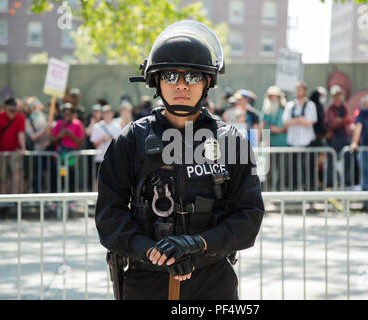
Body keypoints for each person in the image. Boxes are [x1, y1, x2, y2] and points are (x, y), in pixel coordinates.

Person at [95, 20, 264, 300]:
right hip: (147, 280)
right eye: (171, 76)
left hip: (212, 283)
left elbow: (248, 217)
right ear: (156, 81)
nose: (182, 85)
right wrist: (151, 251)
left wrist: (196, 244)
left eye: (194, 76)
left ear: (208, 81)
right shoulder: (131, 140)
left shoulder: (231, 141)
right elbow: (109, 216)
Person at [282, 81, 318, 190]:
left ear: (304, 91)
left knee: (307, 169)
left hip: (306, 142)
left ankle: (309, 191)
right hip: (292, 142)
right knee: (292, 169)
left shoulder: (310, 105)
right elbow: (285, 121)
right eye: (296, 89)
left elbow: (310, 122)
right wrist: (300, 120)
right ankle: (293, 191)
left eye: (299, 89)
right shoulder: (290, 105)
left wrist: (295, 121)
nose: (297, 92)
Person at [0, 97, 26, 194]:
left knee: (16, 172)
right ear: (5, 106)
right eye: (10, 105)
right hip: (0, 151)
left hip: (14, 151)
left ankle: (16, 197)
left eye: (14, 105)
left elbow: (21, 133)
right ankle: (3, 199)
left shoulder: (20, 117)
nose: (13, 107)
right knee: (2, 177)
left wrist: (23, 148)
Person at [325, 85, 355, 188]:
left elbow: (349, 120)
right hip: (334, 139)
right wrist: (343, 121)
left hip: (344, 137)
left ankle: (345, 181)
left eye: (339, 95)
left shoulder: (344, 107)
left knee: (348, 159)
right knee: (331, 161)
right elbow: (333, 123)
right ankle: (330, 183)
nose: (337, 98)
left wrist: (340, 120)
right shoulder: (330, 108)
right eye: (335, 95)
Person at [50, 103, 85, 192]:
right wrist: (60, 136)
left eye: (69, 113)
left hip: (71, 157)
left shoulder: (78, 124)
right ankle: (56, 200)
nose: (67, 115)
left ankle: (71, 201)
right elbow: (51, 140)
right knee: (59, 177)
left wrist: (70, 135)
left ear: (72, 114)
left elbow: (80, 142)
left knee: (71, 177)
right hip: (60, 156)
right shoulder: (58, 124)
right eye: (65, 113)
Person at [260, 86, 288, 190]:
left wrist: (279, 130)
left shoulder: (285, 108)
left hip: (282, 145)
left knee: (282, 170)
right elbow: (262, 126)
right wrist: (261, 142)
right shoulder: (266, 109)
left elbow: (289, 126)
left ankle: (280, 191)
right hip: (269, 145)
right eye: (271, 96)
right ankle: (269, 192)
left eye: (276, 96)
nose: (273, 98)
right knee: (269, 170)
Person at [90, 105, 121, 191]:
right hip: (100, 157)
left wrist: (112, 140)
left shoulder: (117, 126)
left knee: (113, 178)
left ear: (112, 114)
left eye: (108, 112)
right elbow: (94, 144)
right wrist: (101, 140)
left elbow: (120, 142)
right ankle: (95, 197)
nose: (106, 114)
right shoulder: (97, 126)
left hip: (112, 157)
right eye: (104, 112)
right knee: (98, 178)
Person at [25, 97, 50, 192]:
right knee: (38, 174)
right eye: (32, 106)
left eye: (36, 105)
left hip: (49, 150)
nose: (34, 108)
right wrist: (45, 130)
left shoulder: (47, 117)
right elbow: (33, 137)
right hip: (37, 151)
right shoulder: (28, 121)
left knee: (48, 173)